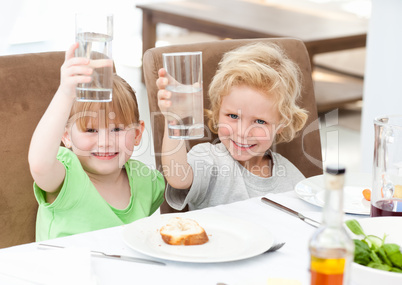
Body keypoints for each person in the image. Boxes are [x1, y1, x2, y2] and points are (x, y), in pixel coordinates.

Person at [28, 43, 165, 241]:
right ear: (66, 136)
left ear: (137, 134)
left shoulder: (146, 182)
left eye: (117, 129)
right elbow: (40, 165)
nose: (105, 141)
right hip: (65, 270)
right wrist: (66, 93)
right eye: (91, 130)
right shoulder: (67, 176)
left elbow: (180, 186)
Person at [157, 42, 308, 211]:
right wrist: (176, 117)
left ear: (282, 124)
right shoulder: (210, 158)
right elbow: (178, 178)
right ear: (217, 114)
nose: (243, 133)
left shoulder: (289, 174)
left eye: (259, 121)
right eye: (233, 116)